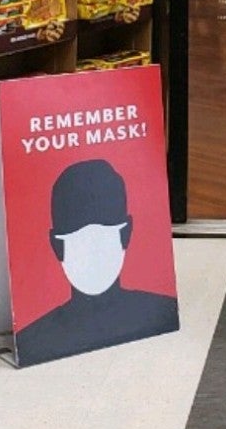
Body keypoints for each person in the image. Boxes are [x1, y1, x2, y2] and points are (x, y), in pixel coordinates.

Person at [15, 158, 179, 368]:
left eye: (101, 237)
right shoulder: (32, 343)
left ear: (126, 234)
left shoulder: (163, 313)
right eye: (80, 239)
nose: (92, 251)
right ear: (57, 246)